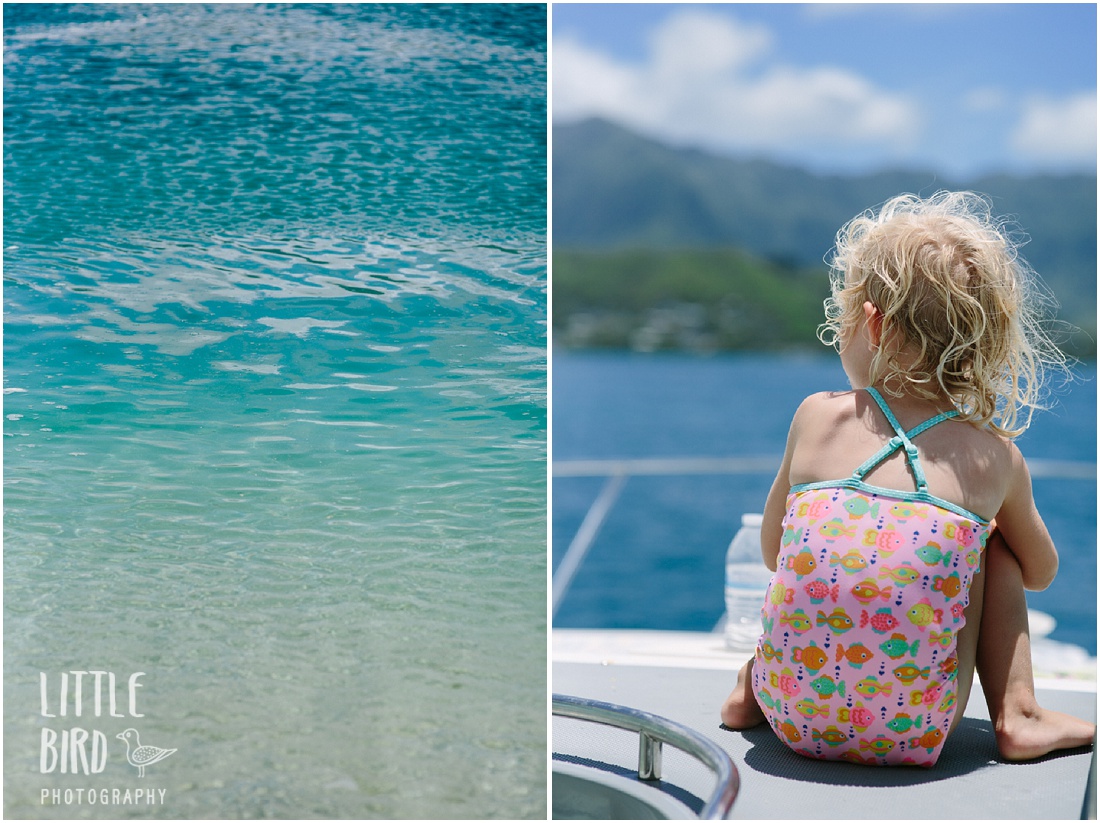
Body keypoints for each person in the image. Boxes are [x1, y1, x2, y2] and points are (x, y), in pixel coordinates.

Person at [719, 191, 1095, 766]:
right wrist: (972, 532)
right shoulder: (994, 455)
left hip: (790, 710)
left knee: (813, 559)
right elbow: (1040, 571)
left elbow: (773, 552)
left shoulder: (818, 414)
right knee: (998, 546)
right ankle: (1018, 713)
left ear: (870, 324)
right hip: (913, 728)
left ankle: (754, 687)